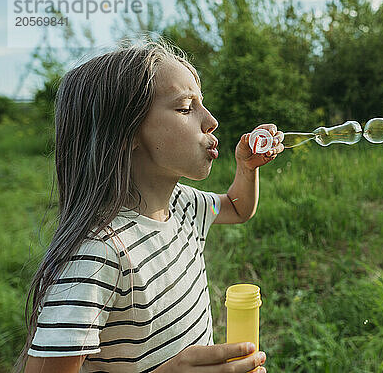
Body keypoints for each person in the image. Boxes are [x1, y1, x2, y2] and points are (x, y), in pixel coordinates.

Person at [15, 39, 284, 373]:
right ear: (126, 133)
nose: (211, 120)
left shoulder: (185, 205)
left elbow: (235, 207)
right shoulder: (97, 256)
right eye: (186, 108)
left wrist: (246, 169)